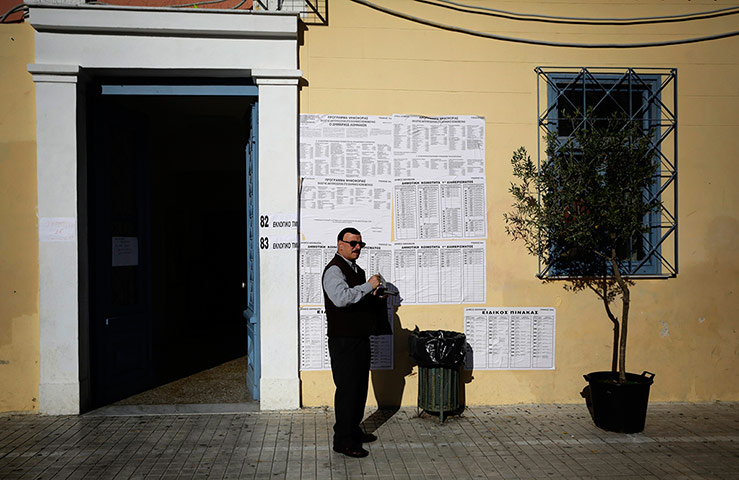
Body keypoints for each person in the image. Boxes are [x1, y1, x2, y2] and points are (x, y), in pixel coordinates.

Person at [322, 227, 387, 458]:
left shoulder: (356, 270)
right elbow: (341, 299)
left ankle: (353, 430)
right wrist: (368, 286)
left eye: (360, 244)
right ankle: (343, 440)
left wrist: (374, 297)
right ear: (340, 244)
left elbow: (357, 299)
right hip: (343, 341)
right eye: (352, 243)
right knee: (347, 390)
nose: (357, 247)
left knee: (359, 388)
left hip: (359, 338)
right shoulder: (333, 271)